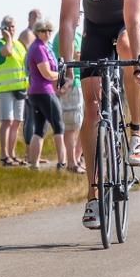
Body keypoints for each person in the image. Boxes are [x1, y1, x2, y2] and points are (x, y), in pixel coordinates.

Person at [58, 0, 140, 230]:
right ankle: (93, 194)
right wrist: (64, 64)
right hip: (96, 31)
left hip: (132, 24)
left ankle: (137, 132)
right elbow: (69, 21)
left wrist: (139, 64)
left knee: (127, 46)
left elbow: (134, 19)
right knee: (93, 103)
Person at [25, 18, 67, 170]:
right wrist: (62, 75)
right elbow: (47, 74)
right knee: (59, 126)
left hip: (37, 92)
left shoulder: (43, 47)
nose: (47, 33)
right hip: (44, 92)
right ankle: (62, 162)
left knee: (40, 129)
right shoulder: (39, 49)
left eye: (50, 30)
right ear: (37, 32)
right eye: (43, 31)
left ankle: (34, 164)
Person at [0, 16, 27, 165]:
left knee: (17, 122)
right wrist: (9, 39)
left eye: (13, 27)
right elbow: (7, 52)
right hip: (5, 89)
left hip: (20, 88)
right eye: (8, 27)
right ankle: (4, 156)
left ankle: (12, 154)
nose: (11, 30)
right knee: (7, 121)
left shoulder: (19, 45)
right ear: (3, 29)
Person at [53, 16, 85, 172]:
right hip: (70, 83)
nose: (79, 17)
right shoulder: (62, 36)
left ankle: (77, 157)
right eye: (77, 13)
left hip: (83, 81)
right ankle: (71, 162)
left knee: (84, 122)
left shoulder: (79, 35)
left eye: (80, 13)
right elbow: (57, 59)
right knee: (72, 124)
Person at [19, 8, 42, 146]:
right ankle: (29, 152)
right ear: (30, 19)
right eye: (36, 17)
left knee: (37, 116)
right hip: (30, 80)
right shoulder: (28, 34)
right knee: (30, 117)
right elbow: (31, 58)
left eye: (40, 17)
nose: (39, 20)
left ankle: (34, 151)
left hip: (37, 80)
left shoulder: (36, 35)